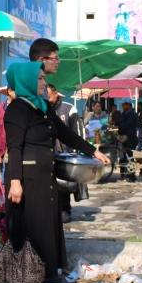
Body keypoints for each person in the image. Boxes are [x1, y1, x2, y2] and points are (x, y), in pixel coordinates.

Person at [4, 61, 109, 283]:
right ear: (26, 81)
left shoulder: (42, 106)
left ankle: (39, 280)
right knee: (26, 231)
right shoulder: (17, 109)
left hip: (45, 179)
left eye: (42, 78)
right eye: (39, 78)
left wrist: (92, 151)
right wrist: (15, 182)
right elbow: (14, 148)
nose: (43, 83)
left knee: (44, 231)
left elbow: (65, 133)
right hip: (27, 180)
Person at [46, 83, 81, 218]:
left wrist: (75, 153)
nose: (47, 99)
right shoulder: (43, 108)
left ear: (55, 94)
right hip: (48, 154)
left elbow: (75, 133)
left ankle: (65, 209)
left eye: (49, 96)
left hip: (66, 154)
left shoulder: (69, 109)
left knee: (64, 184)